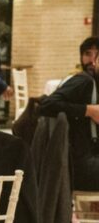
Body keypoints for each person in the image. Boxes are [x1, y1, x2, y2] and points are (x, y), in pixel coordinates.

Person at [38, 37, 99, 192]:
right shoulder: (84, 81)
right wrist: (88, 110)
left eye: (96, 54)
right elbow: (46, 105)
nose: (91, 60)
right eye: (88, 54)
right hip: (82, 166)